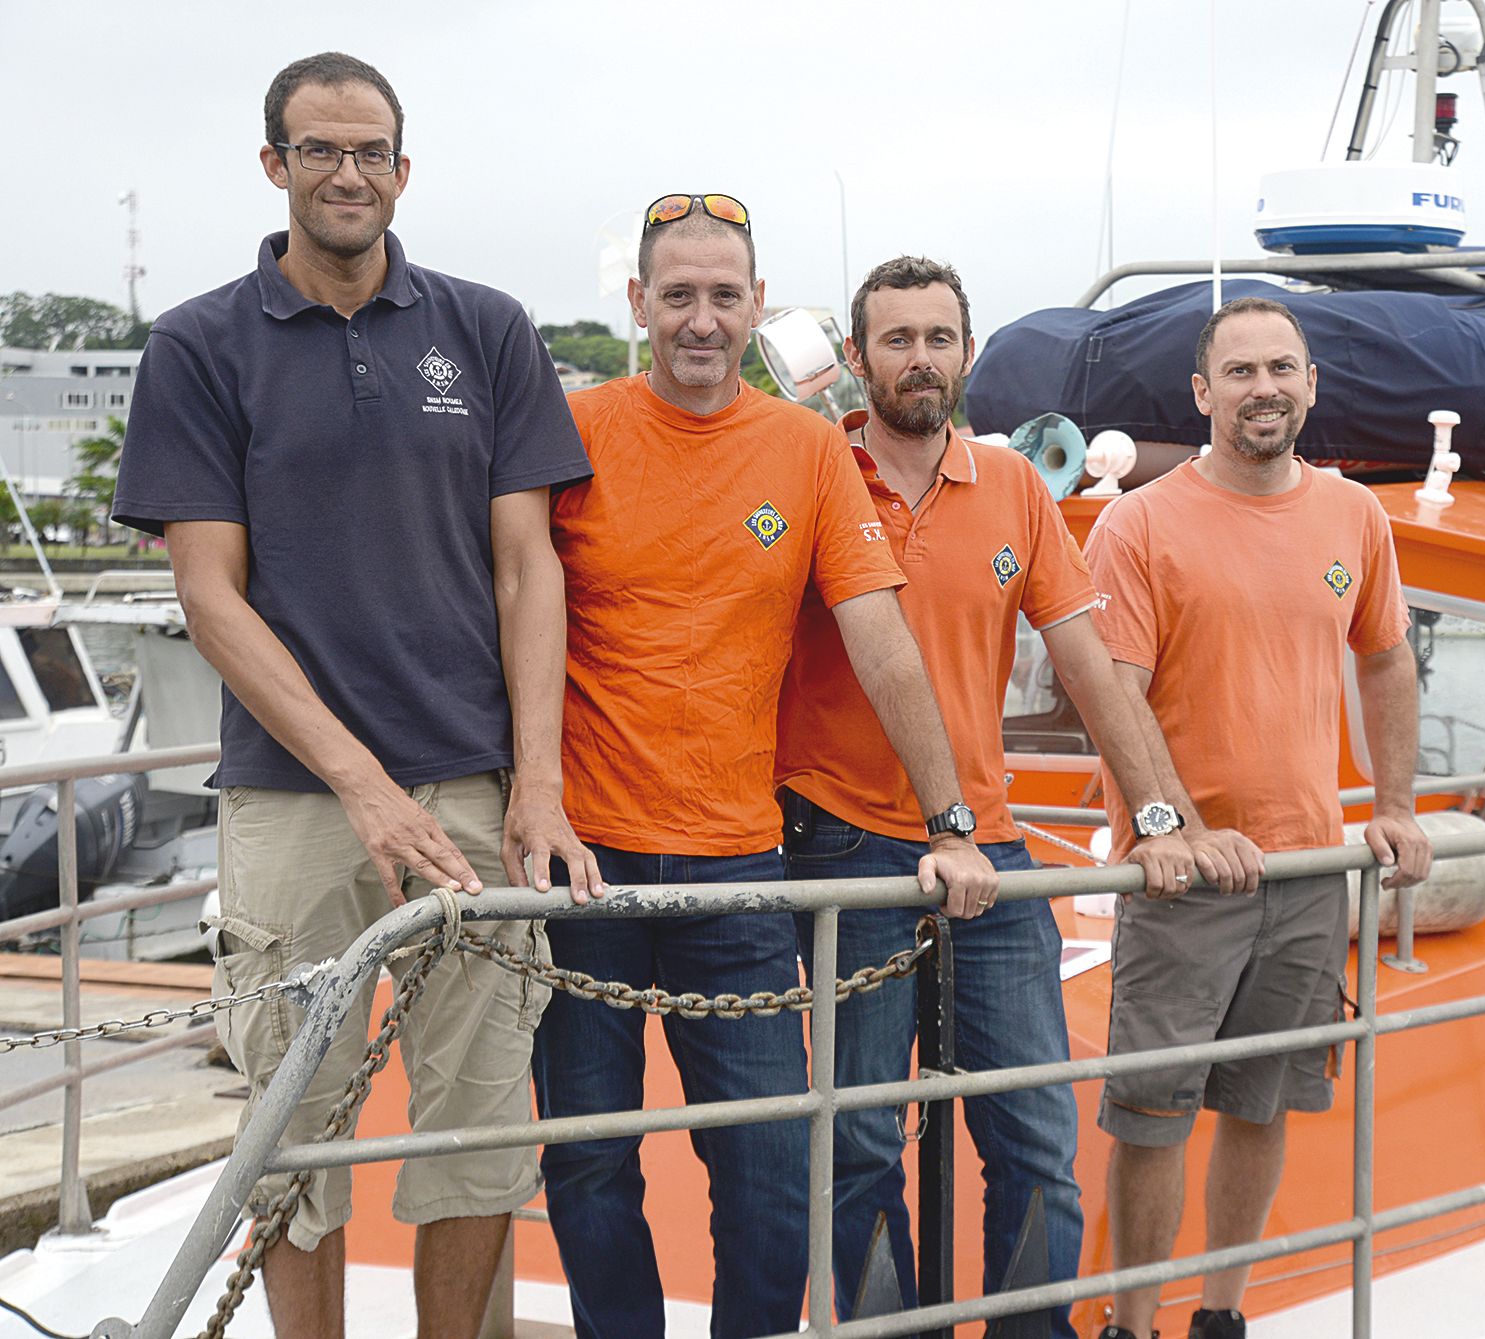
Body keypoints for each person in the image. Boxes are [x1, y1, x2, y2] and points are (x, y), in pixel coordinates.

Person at [111, 53, 596, 1339]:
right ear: (274, 166)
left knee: (480, 1131)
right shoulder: (200, 344)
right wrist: (363, 786)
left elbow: (525, 561)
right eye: (319, 150)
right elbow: (212, 597)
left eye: (369, 150)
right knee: (293, 1135)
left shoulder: (484, 327)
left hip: (478, 789)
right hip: (294, 797)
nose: (347, 173)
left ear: (403, 167)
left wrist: (536, 784)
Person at [534, 197, 997, 1339]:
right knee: (589, 1169)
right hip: (576, 869)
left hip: (737, 871)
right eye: (677, 295)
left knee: (771, 1179)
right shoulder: (566, 432)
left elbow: (878, 635)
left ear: (755, 307)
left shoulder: (803, 450)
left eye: (724, 296)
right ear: (637, 304)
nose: (701, 319)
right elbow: (499, 610)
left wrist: (949, 818)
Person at [774, 256, 1200, 1334]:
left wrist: (1154, 815)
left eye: (938, 338)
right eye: (896, 339)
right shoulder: (812, 471)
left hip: (993, 846)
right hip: (841, 839)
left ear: (967, 352)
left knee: (1035, 1135)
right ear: (861, 357)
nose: (920, 358)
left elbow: (1091, 666)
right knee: (862, 1136)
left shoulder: (1014, 486)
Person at [1084, 295, 1434, 1339]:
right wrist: (1172, 828)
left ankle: (1219, 1317)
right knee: (1149, 1116)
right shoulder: (1136, 523)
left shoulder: (1353, 516)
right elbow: (1114, 695)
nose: (1263, 387)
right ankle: (1130, 1324)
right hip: (1180, 880)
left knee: (1261, 1101)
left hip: (1305, 873)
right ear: (1201, 393)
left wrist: (1399, 807)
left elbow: (1384, 659)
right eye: (1238, 371)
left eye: (1281, 367)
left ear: (1310, 382)